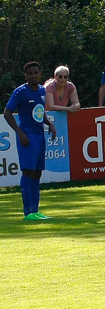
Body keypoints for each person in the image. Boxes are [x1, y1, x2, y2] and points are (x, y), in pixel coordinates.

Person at [4, 61, 57, 220]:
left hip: (40, 135)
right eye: (30, 73)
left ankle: (35, 210)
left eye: (36, 73)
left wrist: (50, 124)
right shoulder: (20, 92)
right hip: (27, 135)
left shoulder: (42, 90)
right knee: (28, 171)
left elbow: (40, 113)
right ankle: (28, 213)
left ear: (40, 74)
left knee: (37, 172)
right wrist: (20, 133)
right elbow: (7, 113)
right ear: (26, 76)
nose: (33, 76)